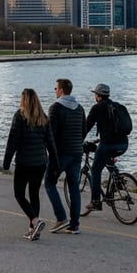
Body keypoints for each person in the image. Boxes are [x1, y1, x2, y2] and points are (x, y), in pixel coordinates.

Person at [3, 88, 58, 241]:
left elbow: (12, 140)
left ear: (24, 100)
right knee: (34, 194)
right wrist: (55, 163)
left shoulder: (20, 116)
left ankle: (35, 221)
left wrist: (7, 161)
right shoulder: (44, 118)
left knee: (19, 194)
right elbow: (51, 144)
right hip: (40, 162)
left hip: (24, 162)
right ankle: (33, 230)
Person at [44, 78, 87, 234]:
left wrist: (50, 153)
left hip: (61, 153)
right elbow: (84, 130)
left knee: (49, 182)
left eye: (55, 88)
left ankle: (61, 217)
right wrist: (77, 143)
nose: (55, 91)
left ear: (61, 90)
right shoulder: (80, 108)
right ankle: (74, 224)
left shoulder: (55, 108)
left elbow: (51, 134)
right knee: (73, 187)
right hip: (77, 152)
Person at [81, 83, 129, 217]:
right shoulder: (116, 105)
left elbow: (86, 127)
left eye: (95, 94)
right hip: (124, 144)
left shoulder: (97, 108)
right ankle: (118, 180)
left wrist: (78, 141)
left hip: (108, 144)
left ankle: (96, 201)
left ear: (97, 96)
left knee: (95, 169)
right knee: (107, 157)